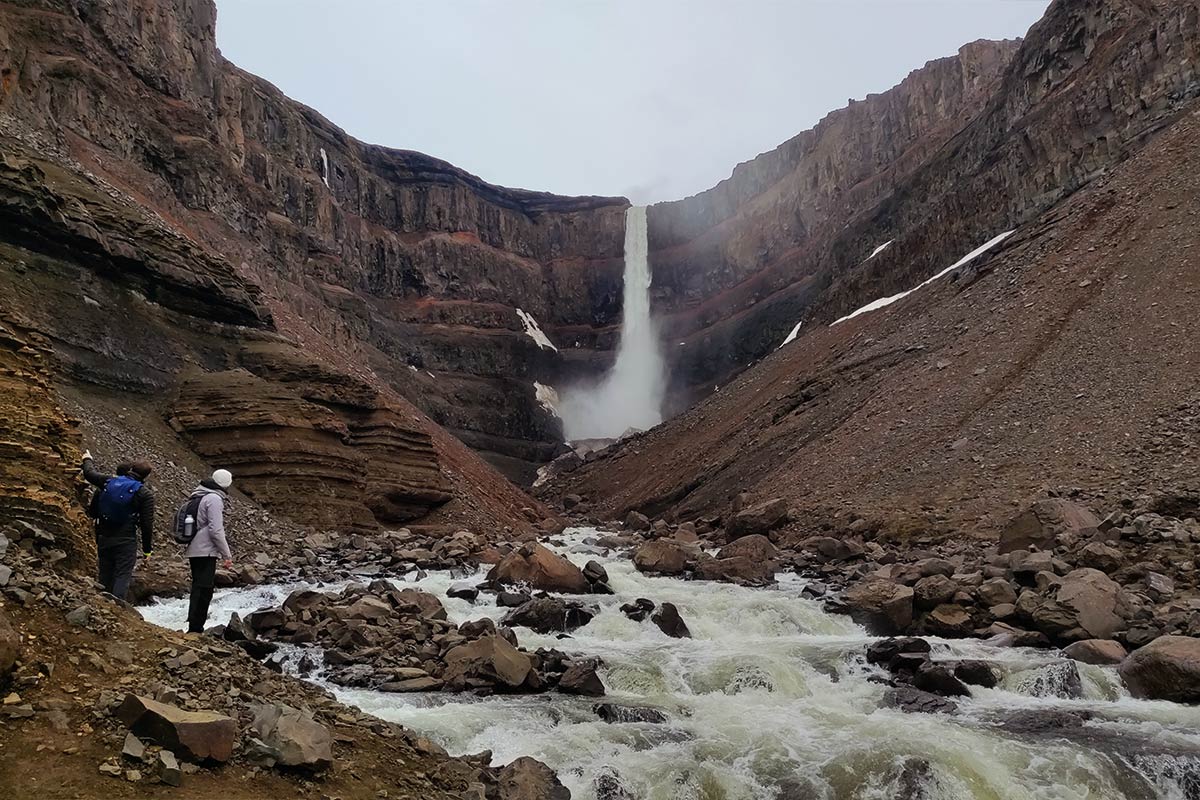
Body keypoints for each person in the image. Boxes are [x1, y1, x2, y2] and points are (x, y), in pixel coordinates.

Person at [81, 450, 155, 601]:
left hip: (103, 535)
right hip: (126, 539)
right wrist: (147, 551)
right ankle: (117, 608)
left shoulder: (108, 481)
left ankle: (102, 604)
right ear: (146, 475)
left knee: (105, 573)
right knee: (122, 574)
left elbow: (89, 473)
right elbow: (147, 525)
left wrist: (87, 458)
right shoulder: (144, 494)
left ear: (131, 468)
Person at [185, 469, 234, 634]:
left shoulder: (199, 494)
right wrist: (226, 554)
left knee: (199, 587)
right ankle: (195, 628)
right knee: (204, 590)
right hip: (205, 551)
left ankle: (194, 626)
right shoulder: (214, 499)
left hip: (195, 548)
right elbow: (216, 530)